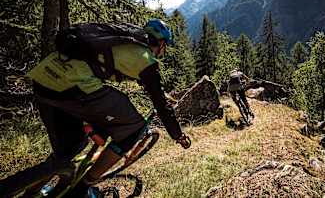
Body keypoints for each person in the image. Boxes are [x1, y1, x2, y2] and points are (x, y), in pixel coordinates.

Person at [0, 19, 191, 197]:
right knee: (133, 128)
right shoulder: (145, 58)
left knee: (70, 148)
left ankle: (30, 189)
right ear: (162, 44)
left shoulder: (124, 36)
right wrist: (178, 135)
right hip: (73, 88)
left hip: (43, 81)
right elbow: (161, 105)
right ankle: (83, 188)